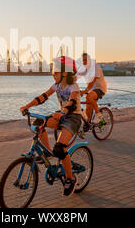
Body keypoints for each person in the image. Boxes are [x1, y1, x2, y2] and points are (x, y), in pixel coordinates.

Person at [19, 56, 81, 196]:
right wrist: (27, 106)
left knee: (59, 148)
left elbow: (72, 103)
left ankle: (70, 179)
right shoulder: (56, 85)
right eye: (53, 71)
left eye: (56, 72)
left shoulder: (73, 86)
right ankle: (47, 151)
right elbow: (43, 97)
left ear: (65, 73)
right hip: (61, 115)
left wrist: (64, 111)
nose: (53, 74)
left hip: (73, 118)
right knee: (38, 124)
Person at [76, 53, 107, 132]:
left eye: (86, 60)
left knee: (88, 97)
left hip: (100, 88)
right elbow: (75, 77)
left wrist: (85, 91)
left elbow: (93, 81)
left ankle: (98, 115)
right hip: (90, 90)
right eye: (83, 60)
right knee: (88, 107)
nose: (84, 62)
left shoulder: (95, 67)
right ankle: (87, 124)